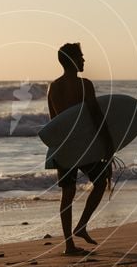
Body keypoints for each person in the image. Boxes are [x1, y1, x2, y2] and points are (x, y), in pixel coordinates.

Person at [47, 43, 114, 255]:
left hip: (65, 145)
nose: (84, 60)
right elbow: (96, 116)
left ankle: (69, 245)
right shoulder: (85, 85)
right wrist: (108, 143)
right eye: (81, 56)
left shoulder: (53, 87)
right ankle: (82, 225)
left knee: (68, 193)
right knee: (101, 182)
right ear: (72, 60)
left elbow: (53, 122)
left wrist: (57, 147)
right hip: (83, 145)